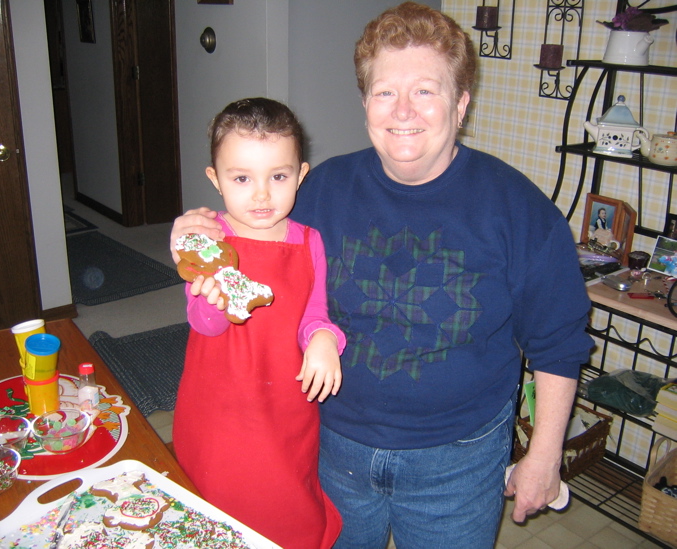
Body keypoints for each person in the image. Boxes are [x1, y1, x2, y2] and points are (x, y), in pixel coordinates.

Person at [170, 3, 593, 548]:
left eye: (425, 90)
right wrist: (194, 227)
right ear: (365, 103)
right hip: (329, 449)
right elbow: (248, 230)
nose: (403, 111)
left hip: (457, 463)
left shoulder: (517, 209)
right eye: (385, 91)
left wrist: (544, 455)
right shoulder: (318, 190)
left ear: (460, 103)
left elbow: (558, 341)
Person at [171, 97, 345, 549]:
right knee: (217, 507)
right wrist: (211, 301)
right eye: (242, 178)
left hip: (285, 407)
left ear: (301, 175)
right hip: (220, 410)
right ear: (215, 179)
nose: (262, 194)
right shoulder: (209, 239)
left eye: (279, 177)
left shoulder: (310, 241)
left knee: (288, 505)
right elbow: (204, 324)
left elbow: (315, 313)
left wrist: (324, 339)